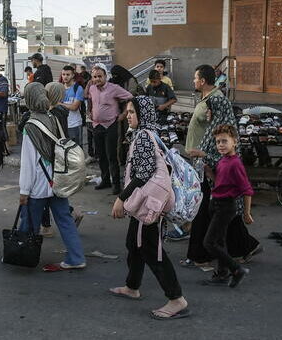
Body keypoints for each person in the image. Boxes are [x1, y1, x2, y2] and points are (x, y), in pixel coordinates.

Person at [109, 96, 189, 320]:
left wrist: (121, 199)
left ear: (143, 114)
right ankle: (132, 286)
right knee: (134, 244)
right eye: (128, 112)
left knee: (151, 250)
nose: (128, 116)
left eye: (133, 112)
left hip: (149, 206)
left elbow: (143, 173)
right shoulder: (148, 132)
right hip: (144, 204)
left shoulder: (143, 136)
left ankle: (177, 299)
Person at [182, 64, 260, 269]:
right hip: (207, 161)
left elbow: (219, 131)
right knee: (220, 209)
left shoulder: (216, 99)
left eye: (195, 78)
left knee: (211, 208)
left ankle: (202, 254)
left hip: (211, 162)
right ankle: (243, 246)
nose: (193, 81)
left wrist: (205, 154)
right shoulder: (210, 99)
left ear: (203, 80)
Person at [19, 82, 86, 269]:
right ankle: (76, 257)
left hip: (39, 184)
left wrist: (24, 190)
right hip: (57, 180)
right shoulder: (52, 118)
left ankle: (23, 255)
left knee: (29, 222)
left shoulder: (30, 126)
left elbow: (28, 163)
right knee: (65, 219)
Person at [200, 124, 253, 287]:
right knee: (220, 241)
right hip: (215, 204)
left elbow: (247, 190)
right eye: (218, 142)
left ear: (235, 142)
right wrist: (209, 173)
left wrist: (247, 213)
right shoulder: (224, 160)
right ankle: (222, 274)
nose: (220, 145)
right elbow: (221, 183)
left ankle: (236, 269)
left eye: (224, 141)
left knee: (209, 243)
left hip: (225, 206)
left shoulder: (235, 163)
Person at [87, 64, 134, 195]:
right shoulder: (92, 88)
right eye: (95, 77)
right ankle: (105, 180)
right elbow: (90, 101)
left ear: (105, 76)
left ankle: (116, 185)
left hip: (110, 125)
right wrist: (90, 111)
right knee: (100, 155)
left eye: (100, 76)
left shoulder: (114, 88)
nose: (97, 79)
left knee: (111, 156)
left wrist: (124, 114)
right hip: (96, 126)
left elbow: (130, 97)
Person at [59, 65, 85, 147]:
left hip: (75, 124)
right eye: (63, 74)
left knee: (77, 150)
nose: (65, 77)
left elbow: (74, 107)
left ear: (73, 75)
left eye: (68, 74)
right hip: (62, 124)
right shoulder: (60, 88)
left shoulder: (78, 88)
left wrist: (59, 104)